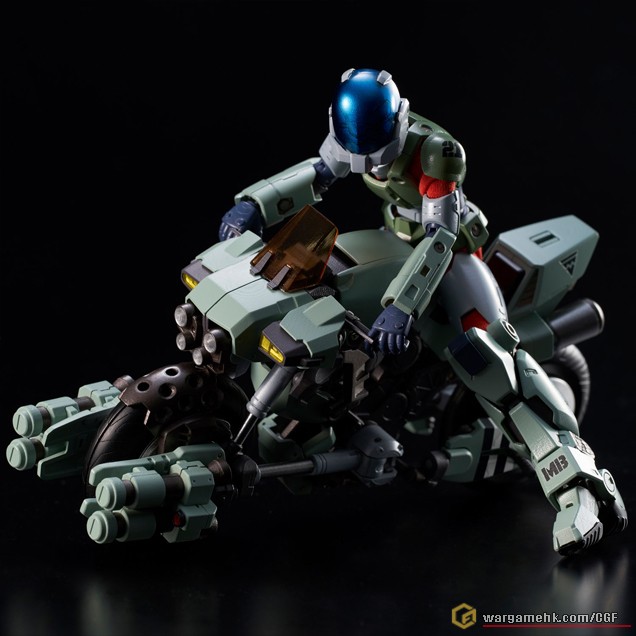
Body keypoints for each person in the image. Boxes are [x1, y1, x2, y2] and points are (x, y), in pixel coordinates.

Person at [218, 68, 627, 555]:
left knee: (488, 357)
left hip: (452, 259)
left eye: (376, 149)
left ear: (398, 121)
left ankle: (581, 489)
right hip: (393, 242)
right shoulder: (352, 133)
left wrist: (402, 305)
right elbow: (318, 173)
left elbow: (440, 235)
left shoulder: (436, 152)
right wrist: (255, 204)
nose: (366, 162)